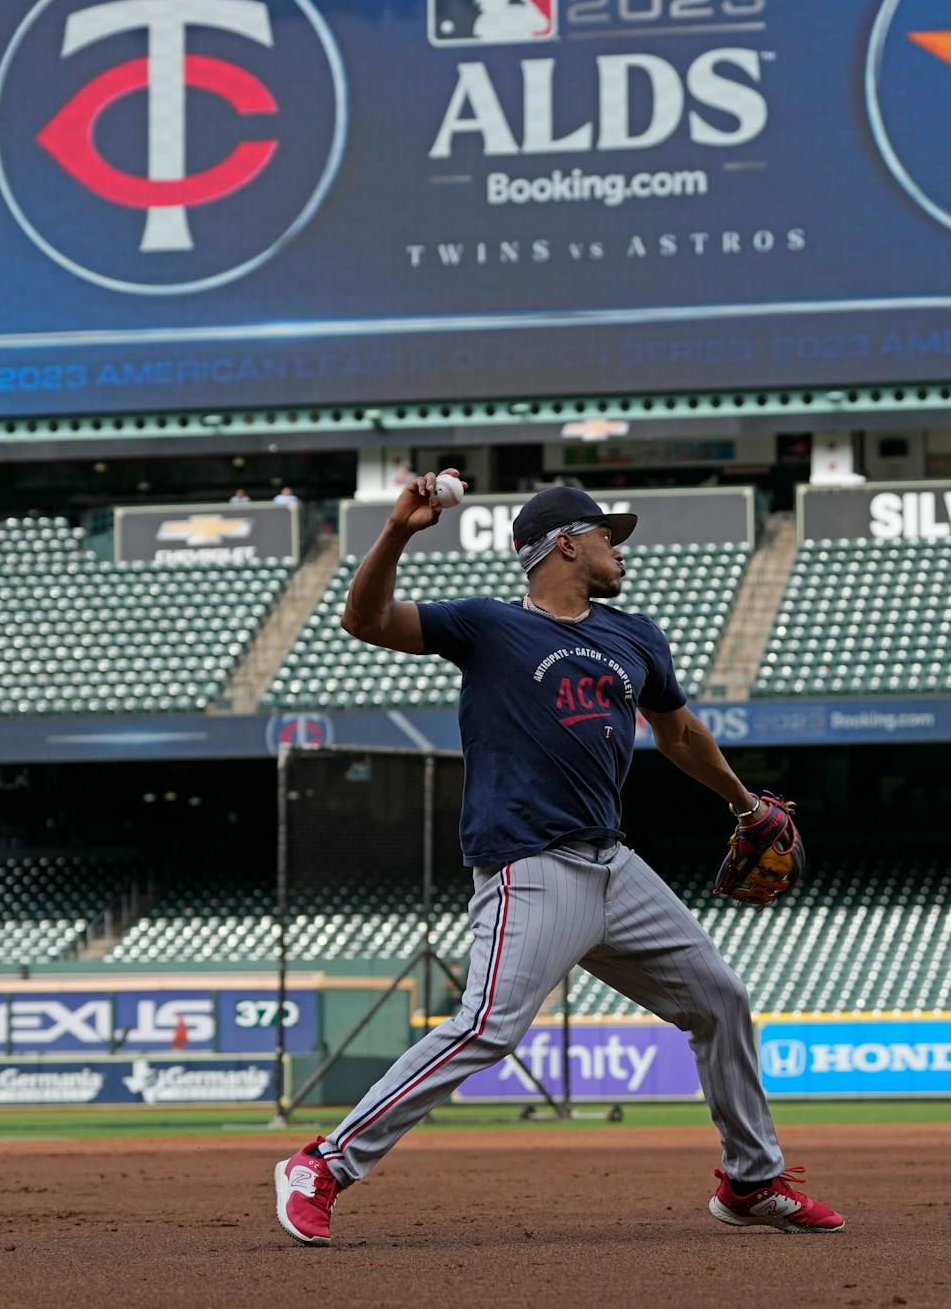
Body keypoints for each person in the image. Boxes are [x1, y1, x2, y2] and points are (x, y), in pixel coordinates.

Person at [274, 475, 843, 1246]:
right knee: (487, 1026)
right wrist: (400, 532)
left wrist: (745, 803)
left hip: (614, 867)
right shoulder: (488, 626)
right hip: (530, 862)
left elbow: (677, 734)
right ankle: (324, 1163)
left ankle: (750, 1182)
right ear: (568, 544)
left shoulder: (634, 634)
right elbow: (365, 620)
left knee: (720, 1001)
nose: (619, 549)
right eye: (608, 535)